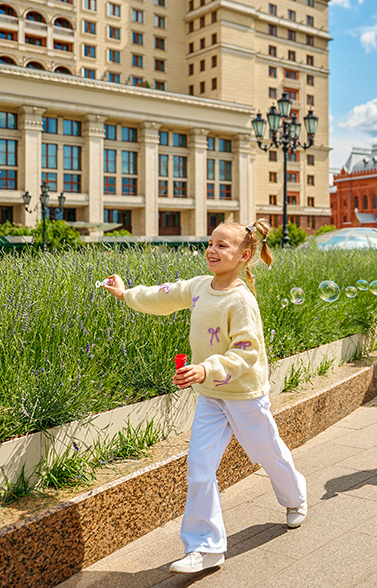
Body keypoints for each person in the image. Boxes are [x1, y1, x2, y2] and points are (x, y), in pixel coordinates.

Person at [100, 220, 307, 575]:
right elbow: (162, 296)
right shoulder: (198, 287)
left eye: (222, 245)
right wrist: (125, 293)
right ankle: (205, 547)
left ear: (244, 256)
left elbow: (246, 352)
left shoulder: (241, 300)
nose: (212, 250)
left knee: (267, 452)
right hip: (211, 395)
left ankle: (295, 498)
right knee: (199, 467)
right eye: (211, 243)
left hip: (244, 395)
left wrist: (206, 368)